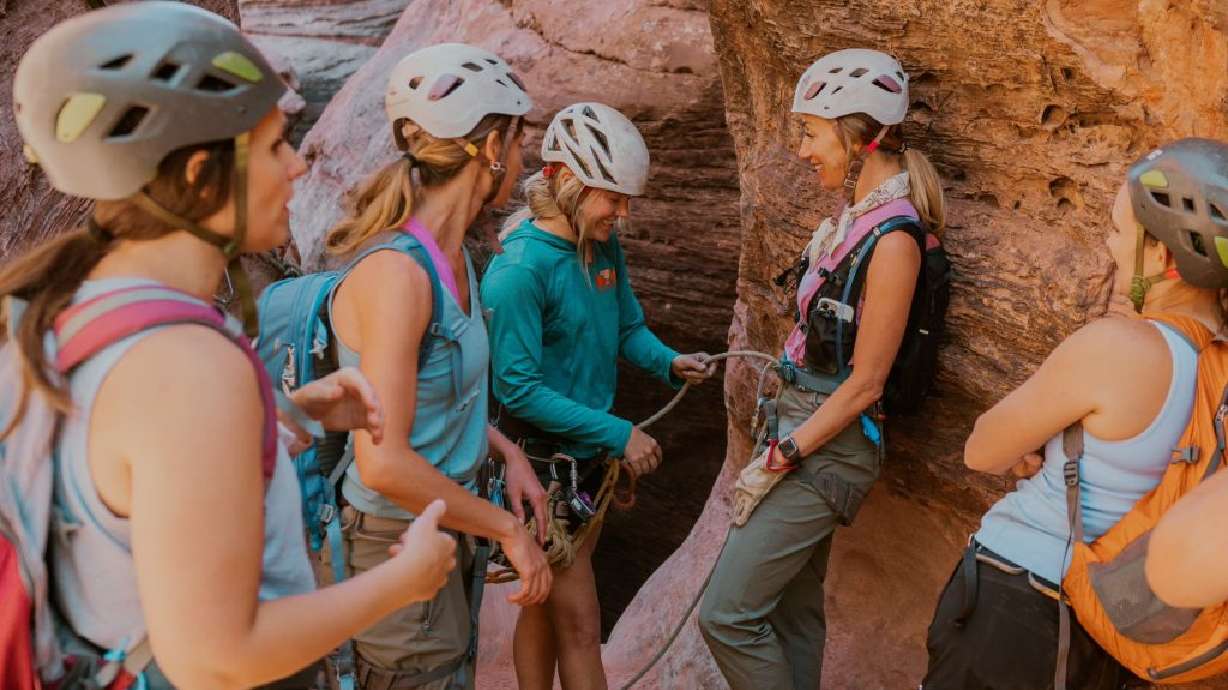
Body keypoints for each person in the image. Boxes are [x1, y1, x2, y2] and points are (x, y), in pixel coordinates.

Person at [5, 4, 457, 689]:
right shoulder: (185, 367)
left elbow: (123, 475)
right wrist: (405, 580)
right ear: (195, 178)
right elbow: (218, 658)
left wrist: (286, 415)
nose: (298, 168)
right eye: (275, 145)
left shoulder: (60, 307)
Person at [922, 139, 1228, 689]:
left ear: (1163, 259)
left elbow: (982, 449)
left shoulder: (1118, 347)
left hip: (1022, 600)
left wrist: (1031, 449)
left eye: (1117, 230)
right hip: (1116, 634)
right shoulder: (1219, 373)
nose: (1108, 245)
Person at [698, 49, 946, 690]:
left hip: (823, 447)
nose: (802, 150)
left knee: (726, 615)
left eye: (811, 132)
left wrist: (783, 454)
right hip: (803, 428)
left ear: (857, 133)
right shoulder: (854, 222)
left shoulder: (893, 240)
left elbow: (866, 382)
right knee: (792, 615)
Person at [323, 42, 552, 690]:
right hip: (398, 540)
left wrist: (505, 451)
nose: (520, 159)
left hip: (448, 525)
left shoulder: (457, 262)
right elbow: (384, 460)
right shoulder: (400, 275)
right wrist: (509, 530)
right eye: (516, 141)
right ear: (488, 149)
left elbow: (433, 402)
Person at [481, 101, 715, 690]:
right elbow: (518, 389)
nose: (624, 212)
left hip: (583, 460)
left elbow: (628, 328)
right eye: (613, 197)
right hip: (540, 467)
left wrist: (668, 362)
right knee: (582, 627)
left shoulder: (600, 246)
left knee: (542, 604)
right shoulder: (519, 272)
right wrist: (619, 433)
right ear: (569, 184)